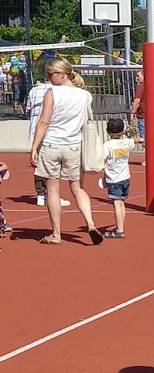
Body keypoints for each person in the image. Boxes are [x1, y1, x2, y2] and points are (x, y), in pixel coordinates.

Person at [29, 58, 104, 245]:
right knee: (78, 188)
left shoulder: (52, 92)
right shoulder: (85, 95)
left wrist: (34, 147)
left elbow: (44, 121)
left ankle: (56, 233)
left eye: (50, 74)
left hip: (52, 144)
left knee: (52, 189)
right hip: (74, 145)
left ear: (61, 74)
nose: (48, 78)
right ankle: (91, 223)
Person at [27, 77, 69, 208]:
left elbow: (28, 109)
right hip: (50, 128)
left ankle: (41, 194)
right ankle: (51, 195)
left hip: (35, 127)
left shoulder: (33, 90)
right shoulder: (55, 91)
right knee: (52, 164)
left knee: (38, 163)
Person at [101, 118, 135, 239]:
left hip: (114, 179)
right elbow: (134, 139)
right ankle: (120, 227)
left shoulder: (107, 145)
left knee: (117, 203)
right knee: (122, 203)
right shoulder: (127, 142)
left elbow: (101, 159)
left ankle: (119, 230)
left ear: (107, 132)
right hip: (125, 177)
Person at [129, 73, 145, 143]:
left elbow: (137, 101)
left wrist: (132, 112)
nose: (136, 78)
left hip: (142, 115)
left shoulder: (140, 86)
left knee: (143, 138)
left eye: (138, 76)